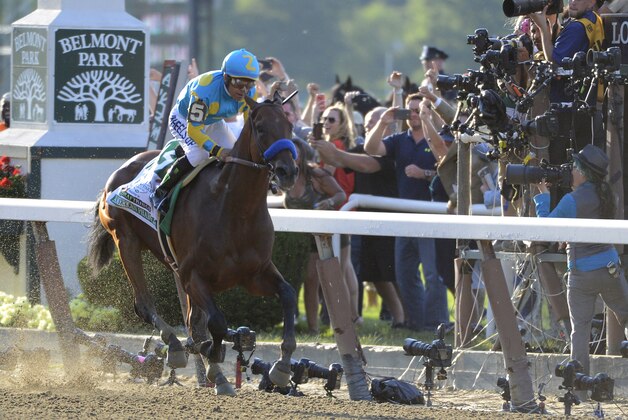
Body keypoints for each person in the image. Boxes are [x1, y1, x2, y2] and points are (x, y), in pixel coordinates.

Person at [533, 144, 628, 375]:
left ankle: (581, 385)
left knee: (580, 332)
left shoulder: (570, 200)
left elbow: (545, 230)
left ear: (583, 172)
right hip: (610, 268)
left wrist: (543, 197)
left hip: (581, 275)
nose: (571, 171)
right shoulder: (610, 195)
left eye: (574, 167)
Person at [310, 107, 406, 328]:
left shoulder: (390, 150)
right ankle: (396, 318)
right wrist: (323, 150)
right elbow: (342, 163)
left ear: (389, 127)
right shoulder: (361, 147)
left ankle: (407, 318)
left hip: (389, 218)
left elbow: (363, 164)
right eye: (369, 121)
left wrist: (333, 152)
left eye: (376, 121)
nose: (370, 125)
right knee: (374, 273)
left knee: (392, 272)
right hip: (365, 218)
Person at [365, 93, 447, 332]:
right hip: (404, 217)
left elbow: (447, 166)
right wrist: (383, 122)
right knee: (405, 274)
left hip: (431, 215)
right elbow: (371, 148)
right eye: (409, 111)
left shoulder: (437, 139)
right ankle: (416, 323)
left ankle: (436, 324)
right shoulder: (399, 140)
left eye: (417, 110)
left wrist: (425, 174)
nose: (413, 115)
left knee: (433, 275)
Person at [151, 49, 260, 212]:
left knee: (237, 154)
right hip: (183, 119)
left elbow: (248, 127)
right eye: (238, 83)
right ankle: (161, 191)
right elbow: (194, 130)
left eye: (249, 83)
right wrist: (217, 150)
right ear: (226, 77)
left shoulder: (251, 93)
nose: (244, 90)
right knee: (199, 154)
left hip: (214, 121)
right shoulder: (204, 90)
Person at [284, 138, 346, 333]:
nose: (290, 155)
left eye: (294, 151)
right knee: (292, 280)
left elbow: (341, 195)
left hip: (321, 236)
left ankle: (315, 328)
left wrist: (328, 203)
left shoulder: (316, 175)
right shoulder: (283, 176)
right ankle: (293, 324)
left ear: (302, 154)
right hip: (297, 238)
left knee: (313, 280)